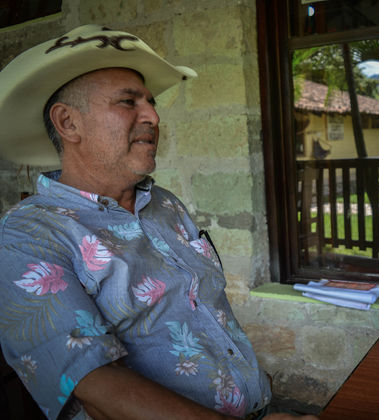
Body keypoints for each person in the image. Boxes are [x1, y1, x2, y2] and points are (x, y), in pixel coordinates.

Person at [0, 25, 317, 420]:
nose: (152, 115)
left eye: (150, 102)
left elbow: (203, 307)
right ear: (68, 123)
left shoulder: (163, 203)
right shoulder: (28, 234)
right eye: (128, 102)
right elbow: (96, 386)